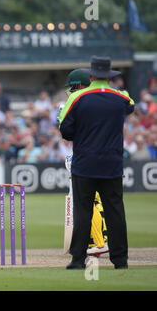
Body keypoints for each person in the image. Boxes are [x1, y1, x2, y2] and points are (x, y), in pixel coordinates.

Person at [59, 56, 135, 269]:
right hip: (112, 164)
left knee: (84, 212)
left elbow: (65, 130)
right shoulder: (120, 97)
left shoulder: (78, 97)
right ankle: (120, 262)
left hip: (85, 164)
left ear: (91, 76)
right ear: (109, 76)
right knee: (115, 213)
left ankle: (77, 260)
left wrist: (82, 130)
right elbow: (131, 105)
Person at [63, 68, 109, 257]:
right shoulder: (105, 99)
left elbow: (66, 130)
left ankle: (99, 242)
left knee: (87, 200)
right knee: (100, 200)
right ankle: (102, 240)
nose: (71, 91)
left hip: (89, 157)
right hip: (106, 155)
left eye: (73, 87)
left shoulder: (78, 101)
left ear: (80, 85)